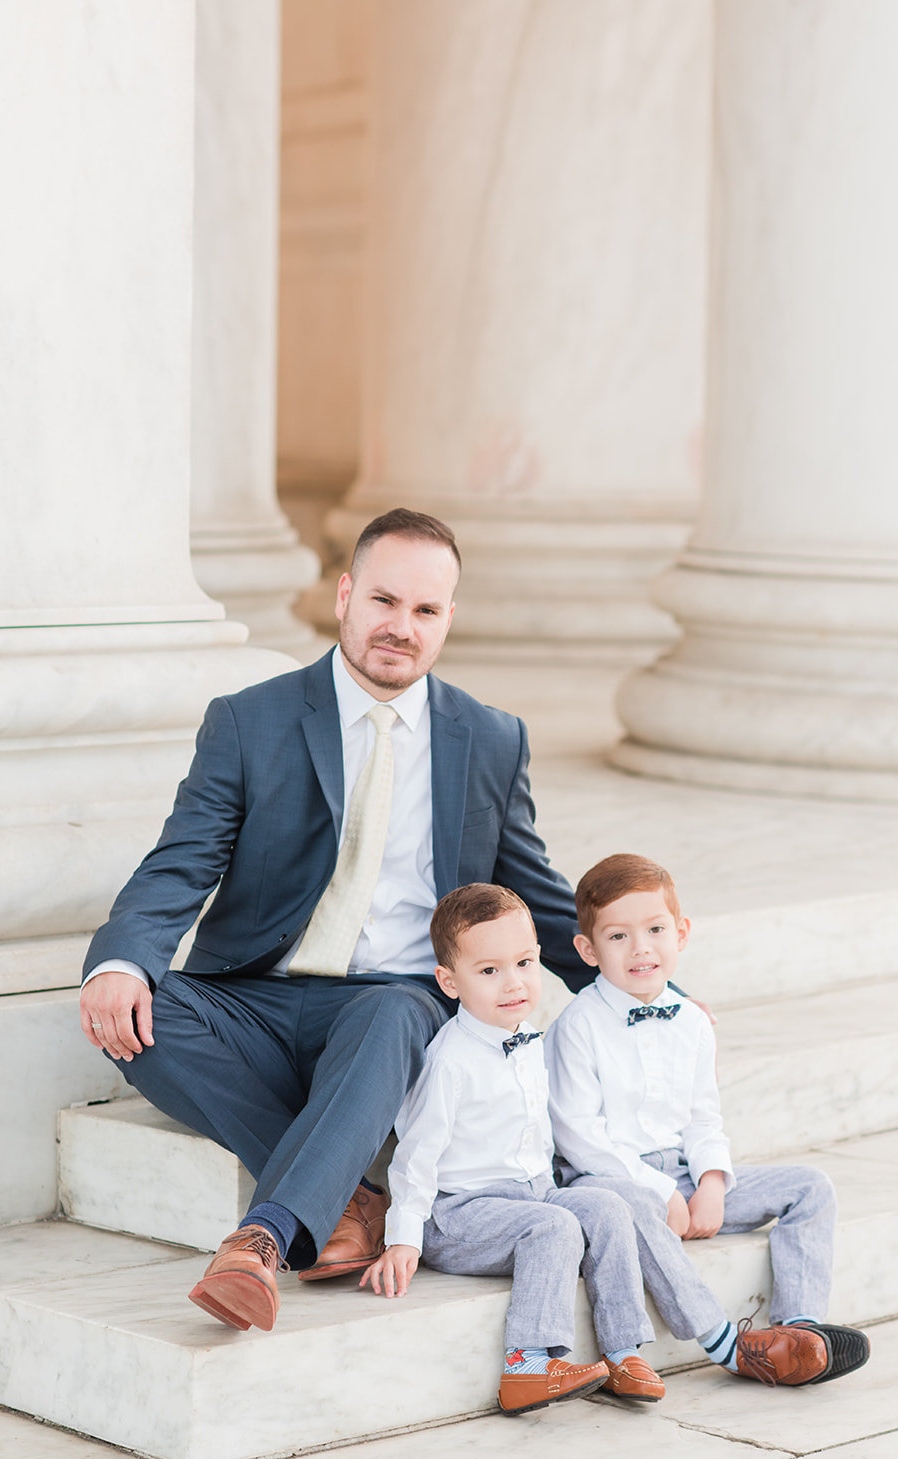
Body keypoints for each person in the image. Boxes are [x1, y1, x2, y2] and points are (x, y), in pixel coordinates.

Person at [79, 509, 590, 1332]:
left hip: (387, 1003)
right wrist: (121, 962)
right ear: (346, 594)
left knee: (393, 1014)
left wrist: (637, 983)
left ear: (449, 619)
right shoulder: (252, 721)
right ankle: (350, 1192)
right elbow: (182, 862)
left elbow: (537, 891)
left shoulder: (490, 738)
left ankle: (265, 1238)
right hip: (255, 995)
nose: (401, 627)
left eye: (426, 611)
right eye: (384, 600)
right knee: (141, 1013)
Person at [545, 853, 871, 1387]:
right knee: (630, 1207)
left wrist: (712, 1183)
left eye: (654, 929)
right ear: (587, 949)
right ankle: (728, 1345)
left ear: (682, 933)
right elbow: (579, 1136)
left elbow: (702, 1116)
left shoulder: (693, 1021)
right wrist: (660, 1191)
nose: (641, 947)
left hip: (683, 1174)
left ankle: (798, 1330)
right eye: (618, 936)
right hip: (610, 1179)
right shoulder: (578, 1025)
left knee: (811, 1187)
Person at [363, 883, 665, 1414]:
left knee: (610, 1206)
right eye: (489, 971)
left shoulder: (532, 1042)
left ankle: (622, 1351)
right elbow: (415, 1157)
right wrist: (404, 1239)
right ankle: (525, 1367)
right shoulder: (450, 1062)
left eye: (524, 963)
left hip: (532, 1193)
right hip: (459, 1214)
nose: (513, 983)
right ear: (449, 982)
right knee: (555, 1228)